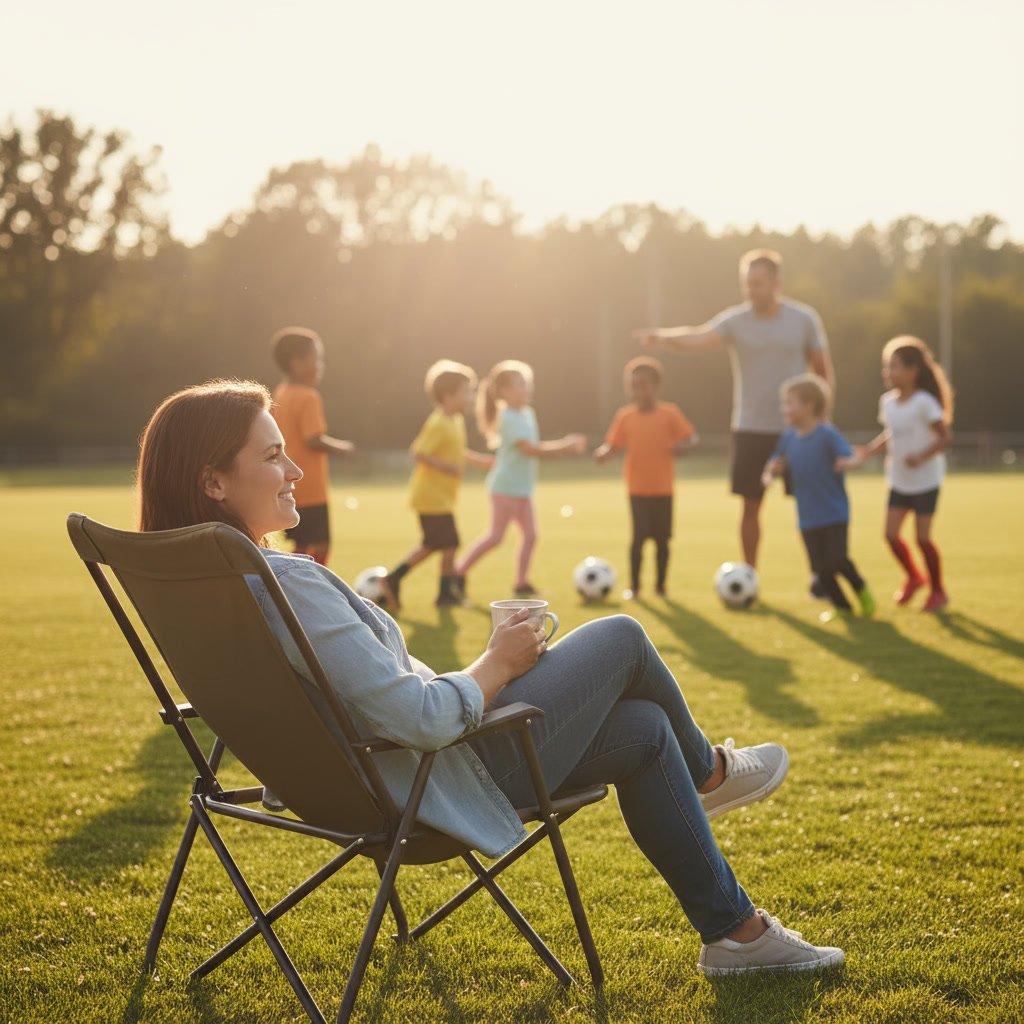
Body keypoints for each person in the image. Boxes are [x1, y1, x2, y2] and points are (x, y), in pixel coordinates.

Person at [134, 378, 845, 977]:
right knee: (623, 637)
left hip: (356, 788)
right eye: (273, 456)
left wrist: (480, 674)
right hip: (434, 783)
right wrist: (497, 663)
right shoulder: (285, 583)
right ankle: (711, 774)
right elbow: (420, 720)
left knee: (645, 729)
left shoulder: (203, 590)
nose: (294, 471)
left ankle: (737, 935)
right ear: (214, 482)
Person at [634, 249, 833, 577]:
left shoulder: (804, 319)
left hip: (799, 429)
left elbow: (822, 371)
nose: (750, 290)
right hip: (750, 426)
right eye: (746, 283)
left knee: (810, 504)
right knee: (750, 505)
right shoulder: (736, 321)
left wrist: (822, 419)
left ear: (776, 283)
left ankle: (819, 576)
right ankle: (749, 575)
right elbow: (698, 335)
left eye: (757, 283)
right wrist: (662, 337)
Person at [455, 361, 586, 599]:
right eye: (520, 385)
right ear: (504, 391)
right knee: (495, 537)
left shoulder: (527, 413)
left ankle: (521, 583)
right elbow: (530, 450)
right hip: (504, 488)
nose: (527, 389)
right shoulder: (508, 417)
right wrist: (566, 446)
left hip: (523, 489)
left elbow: (532, 447)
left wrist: (564, 447)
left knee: (531, 535)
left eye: (527, 384)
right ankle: (458, 572)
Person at [850, 336, 953, 612]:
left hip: (926, 481)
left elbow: (944, 437)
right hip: (899, 480)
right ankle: (914, 577)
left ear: (912, 370)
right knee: (890, 535)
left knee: (922, 539)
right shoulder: (888, 403)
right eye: (887, 367)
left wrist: (921, 457)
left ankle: (938, 591)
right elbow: (891, 434)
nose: (888, 372)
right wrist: (869, 451)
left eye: (894, 367)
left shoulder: (924, 402)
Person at [761, 375, 876, 622]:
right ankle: (842, 607)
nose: (784, 409)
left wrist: (850, 463)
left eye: (789, 403)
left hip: (834, 512)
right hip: (807, 516)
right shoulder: (789, 437)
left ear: (809, 404)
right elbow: (774, 462)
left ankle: (862, 590)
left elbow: (851, 457)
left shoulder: (826, 434)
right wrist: (769, 474)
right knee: (820, 569)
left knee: (837, 559)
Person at [385, 361, 493, 609]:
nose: (471, 398)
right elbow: (419, 452)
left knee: (437, 544)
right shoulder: (438, 422)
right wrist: (446, 467)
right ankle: (437, 592)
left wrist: (479, 461)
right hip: (430, 497)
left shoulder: (455, 421)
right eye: (466, 392)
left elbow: (456, 451)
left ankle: (399, 580)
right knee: (448, 544)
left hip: (441, 498)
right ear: (448, 396)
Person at [594, 356, 698, 599]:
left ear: (656, 386)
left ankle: (661, 587)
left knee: (662, 540)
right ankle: (634, 587)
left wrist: (683, 446)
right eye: (633, 386)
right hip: (637, 488)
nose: (638, 391)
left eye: (643, 385)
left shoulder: (670, 413)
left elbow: (691, 437)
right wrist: (603, 453)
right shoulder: (625, 416)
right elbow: (612, 444)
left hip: (663, 489)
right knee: (638, 538)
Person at [270, 326, 354, 565]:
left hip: (288, 481)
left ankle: (287, 579)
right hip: (311, 488)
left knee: (302, 544)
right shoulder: (308, 396)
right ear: (297, 363)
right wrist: (343, 448)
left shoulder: (281, 393)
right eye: (315, 359)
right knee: (319, 546)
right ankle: (299, 582)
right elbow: (313, 439)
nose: (320, 365)